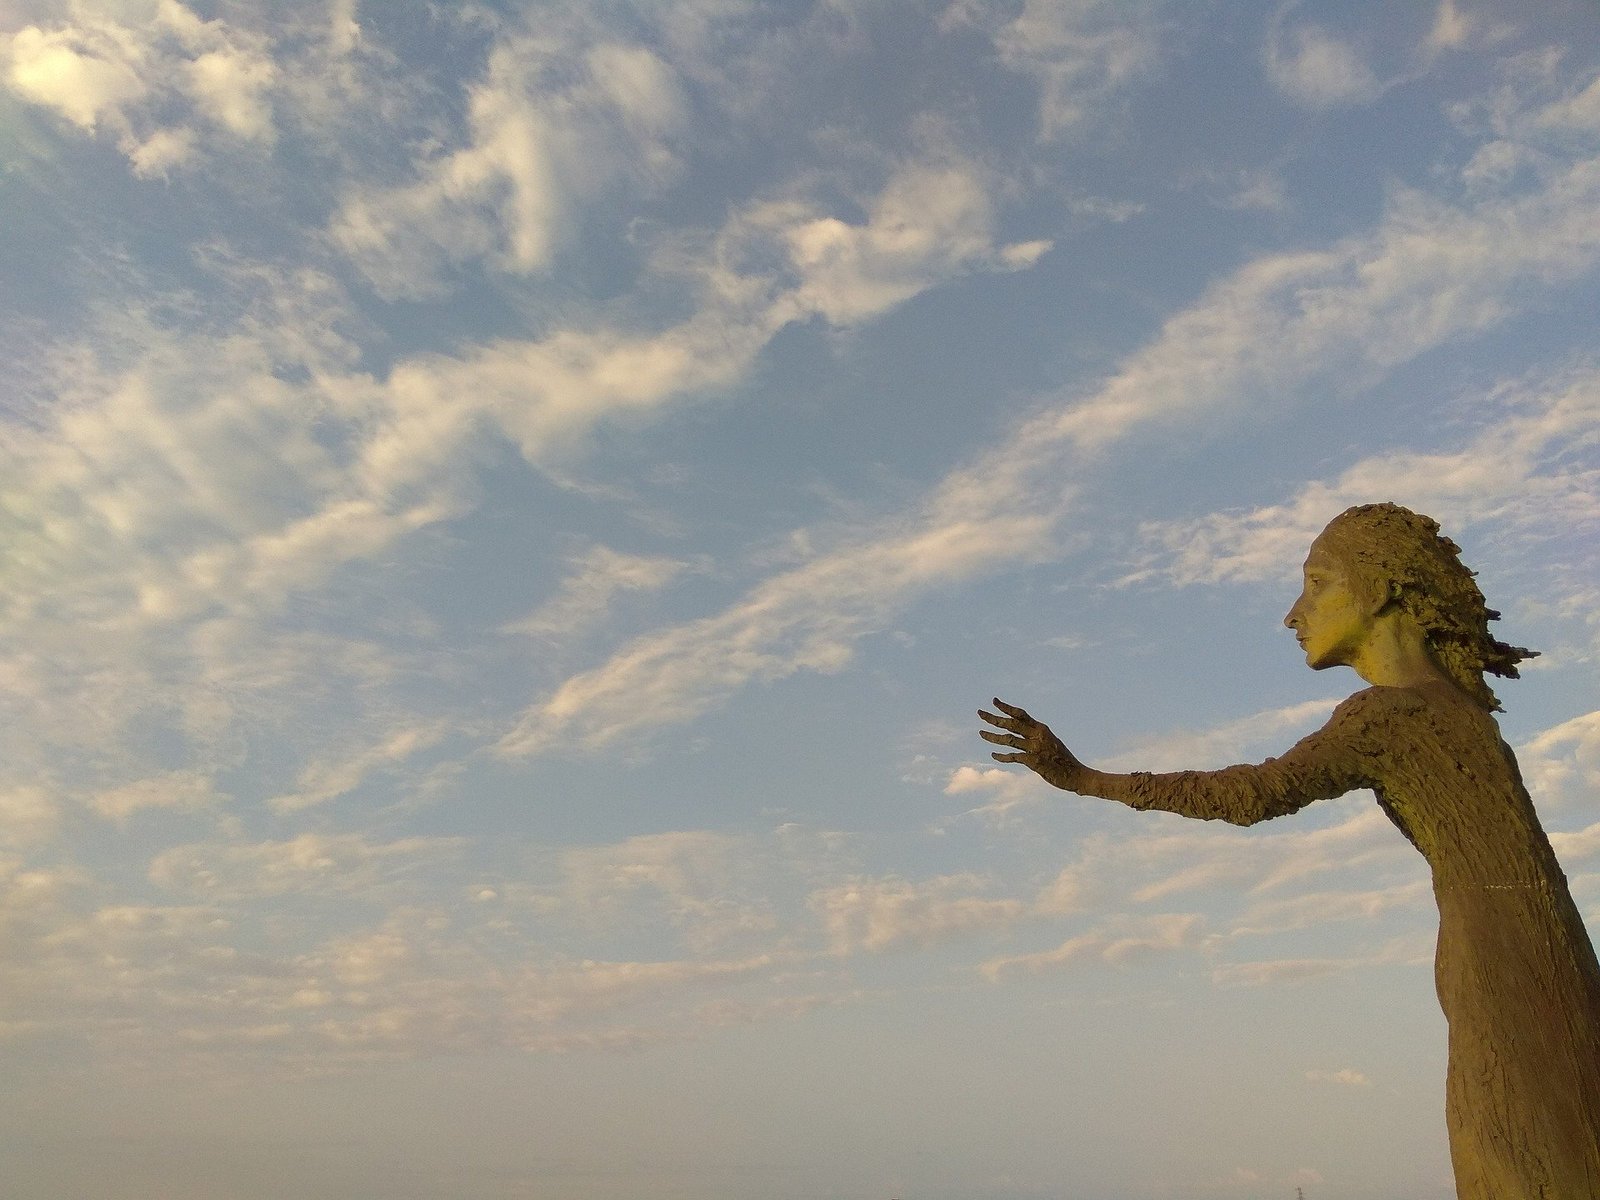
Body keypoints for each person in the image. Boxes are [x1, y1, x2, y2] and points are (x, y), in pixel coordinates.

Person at [979, 503, 1600, 1199]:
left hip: (1509, 978)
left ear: (1384, 586)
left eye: (1318, 583)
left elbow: (1255, 794)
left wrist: (1083, 779)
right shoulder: (1460, 713)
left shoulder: (1396, 715)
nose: (1293, 613)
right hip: (1537, 962)